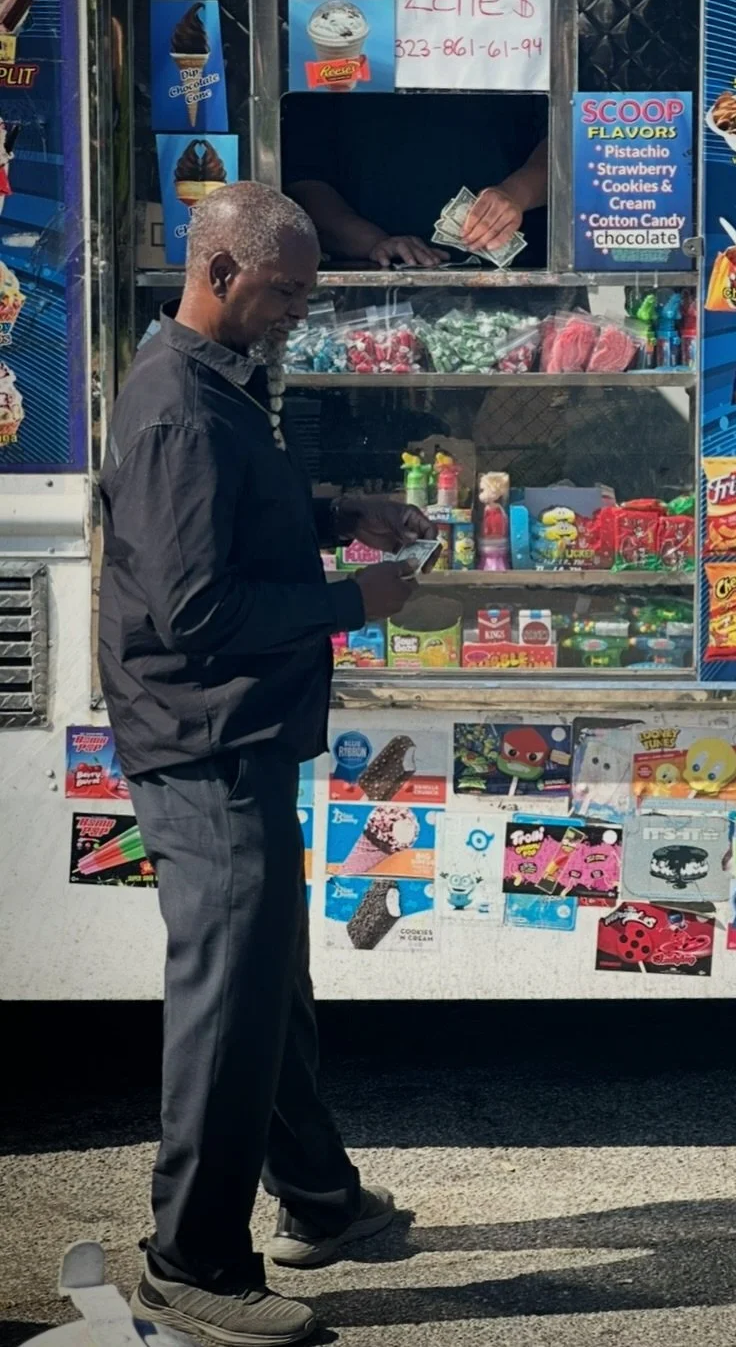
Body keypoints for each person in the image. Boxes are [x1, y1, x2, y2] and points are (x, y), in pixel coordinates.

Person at [98, 182, 436, 1346]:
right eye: (285, 291)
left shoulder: (213, 383)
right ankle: (187, 1262)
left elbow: (232, 521)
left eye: (307, 291)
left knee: (265, 982)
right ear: (223, 275)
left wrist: (341, 508)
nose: (297, 311)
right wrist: (354, 600)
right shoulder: (179, 408)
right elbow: (196, 610)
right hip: (202, 739)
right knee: (230, 1000)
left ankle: (324, 1199)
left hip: (230, 733)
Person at [285, 0, 548, 269]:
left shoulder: (520, 20)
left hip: (520, 274)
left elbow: (569, 136)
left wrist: (516, 194)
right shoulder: (328, 37)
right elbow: (304, 177)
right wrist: (373, 243)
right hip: (368, 282)